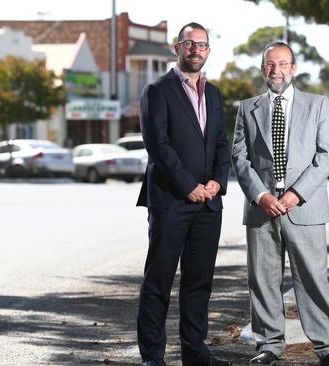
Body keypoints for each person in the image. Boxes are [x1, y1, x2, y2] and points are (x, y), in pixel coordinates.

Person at [231, 41, 329, 366]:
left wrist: (294, 194)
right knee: (263, 279)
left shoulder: (318, 104)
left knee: (313, 277)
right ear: (263, 69)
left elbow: (326, 156)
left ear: (294, 68)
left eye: (283, 64)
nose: (276, 70)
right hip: (262, 208)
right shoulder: (247, 108)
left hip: (305, 206)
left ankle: (328, 346)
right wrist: (262, 195)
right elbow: (239, 158)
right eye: (270, 64)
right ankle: (269, 345)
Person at [136, 22, 231, 366]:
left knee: (199, 282)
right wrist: (188, 186)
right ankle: (152, 357)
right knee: (159, 280)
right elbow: (157, 145)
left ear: (208, 51)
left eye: (201, 45)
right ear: (177, 49)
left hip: (209, 202)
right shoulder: (157, 90)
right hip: (171, 200)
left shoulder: (215, 93)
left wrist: (217, 183)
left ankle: (195, 352)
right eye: (188, 43)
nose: (195, 49)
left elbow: (222, 143)